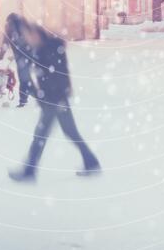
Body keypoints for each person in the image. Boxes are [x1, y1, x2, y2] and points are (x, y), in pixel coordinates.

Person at [8, 23, 101, 182]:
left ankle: (29, 171)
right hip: (55, 98)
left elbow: (56, 76)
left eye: (28, 36)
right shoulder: (44, 48)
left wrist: (47, 95)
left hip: (54, 99)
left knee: (40, 135)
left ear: (36, 34)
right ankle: (91, 162)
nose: (27, 39)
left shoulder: (49, 49)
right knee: (69, 132)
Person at [0, 13, 35, 108]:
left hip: (21, 57)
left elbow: (5, 44)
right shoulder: (25, 26)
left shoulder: (9, 28)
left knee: (24, 78)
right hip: (29, 55)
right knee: (26, 77)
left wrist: (0, 56)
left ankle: (28, 99)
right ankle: (37, 97)